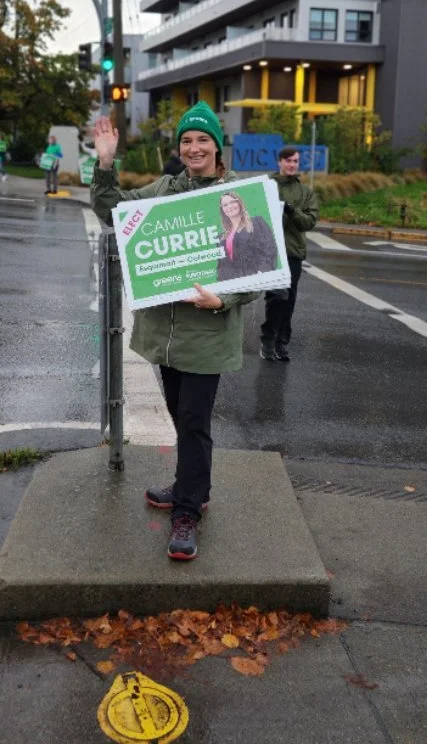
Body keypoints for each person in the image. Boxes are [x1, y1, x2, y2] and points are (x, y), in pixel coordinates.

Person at [91, 101, 259, 562]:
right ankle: (192, 487)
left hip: (207, 336)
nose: (194, 147)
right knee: (180, 417)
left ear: (218, 148)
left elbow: (258, 268)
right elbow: (113, 212)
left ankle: (187, 512)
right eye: (187, 140)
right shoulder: (166, 189)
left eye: (203, 139)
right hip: (168, 335)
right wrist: (105, 163)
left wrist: (223, 300)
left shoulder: (236, 197)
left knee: (193, 422)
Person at [259, 146, 319, 362]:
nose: (292, 165)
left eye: (295, 161)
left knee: (289, 299)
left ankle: (281, 341)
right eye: (288, 160)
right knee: (277, 296)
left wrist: (292, 211)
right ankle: (268, 338)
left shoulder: (305, 192)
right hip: (270, 251)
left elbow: (309, 222)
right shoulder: (267, 185)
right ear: (280, 162)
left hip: (293, 252)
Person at [217, 191, 278, 282]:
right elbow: (222, 266)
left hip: (259, 280)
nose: (229, 206)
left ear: (239, 203)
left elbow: (270, 249)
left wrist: (263, 273)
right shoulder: (221, 238)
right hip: (236, 285)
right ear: (222, 209)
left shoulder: (257, 222)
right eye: (225, 205)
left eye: (232, 202)